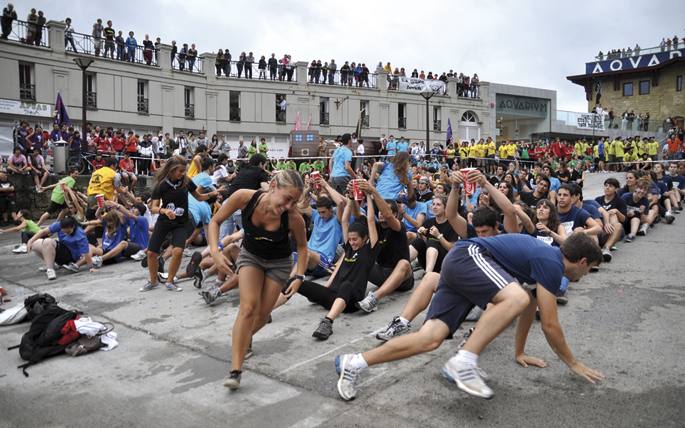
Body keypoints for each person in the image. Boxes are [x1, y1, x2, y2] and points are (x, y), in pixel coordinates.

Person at [334, 232, 604, 401]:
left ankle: (354, 363)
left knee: (429, 339)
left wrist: (519, 352)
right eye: (589, 269)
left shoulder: (545, 264)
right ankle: (463, 361)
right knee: (516, 297)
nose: (584, 276)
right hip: (468, 256)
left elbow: (529, 308)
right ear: (581, 262)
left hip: (462, 267)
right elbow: (549, 324)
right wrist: (574, 363)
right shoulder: (551, 263)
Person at [208, 170, 308, 390]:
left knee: (262, 315)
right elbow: (215, 221)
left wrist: (299, 275)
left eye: (295, 201)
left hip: (279, 263)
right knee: (247, 308)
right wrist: (215, 251)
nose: (290, 205)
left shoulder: (293, 218)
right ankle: (235, 371)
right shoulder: (245, 197)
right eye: (287, 198)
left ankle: (243, 335)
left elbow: (302, 247)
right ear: (273, 186)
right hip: (251, 256)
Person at [295, 189, 378, 340]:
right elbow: (345, 221)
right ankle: (266, 310)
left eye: (355, 240)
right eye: (350, 239)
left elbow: (371, 220)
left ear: (365, 238)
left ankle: (327, 323)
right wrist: (350, 198)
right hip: (333, 296)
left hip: (351, 301)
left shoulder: (369, 251)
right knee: (297, 281)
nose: (352, 242)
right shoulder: (349, 248)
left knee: (346, 285)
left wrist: (370, 197)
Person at [140, 156, 216, 292]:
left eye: (184, 171)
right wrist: (164, 211)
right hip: (164, 222)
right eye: (180, 171)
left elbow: (198, 197)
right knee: (151, 253)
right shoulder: (161, 185)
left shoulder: (186, 181)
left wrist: (213, 194)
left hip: (181, 223)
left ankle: (170, 281)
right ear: (172, 170)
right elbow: (153, 207)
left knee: (178, 251)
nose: (183, 174)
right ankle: (153, 281)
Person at [27, 216, 95, 280]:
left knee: (48, 242)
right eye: (63, 231)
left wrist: (91, 267)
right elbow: (43, 231)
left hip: (70, 256)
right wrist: (30, 241)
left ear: (73, 227)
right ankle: (52, 264)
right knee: (34, 244)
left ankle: (50, 270)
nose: (65, 234)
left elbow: (86, 253)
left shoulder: (80, 235)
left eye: (67, 232)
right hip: (61, 249)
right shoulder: (60, 224)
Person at [594, 178, 627, 262]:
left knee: (614, 215)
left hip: (615, 230)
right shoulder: (598, 200)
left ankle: (606, 248)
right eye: (606, 185)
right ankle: (600, 247)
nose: (607, 188)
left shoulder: (620, 201)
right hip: (601, 228)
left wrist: (617, 211)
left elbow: (624, 220)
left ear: (616, 189)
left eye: (610, 186)